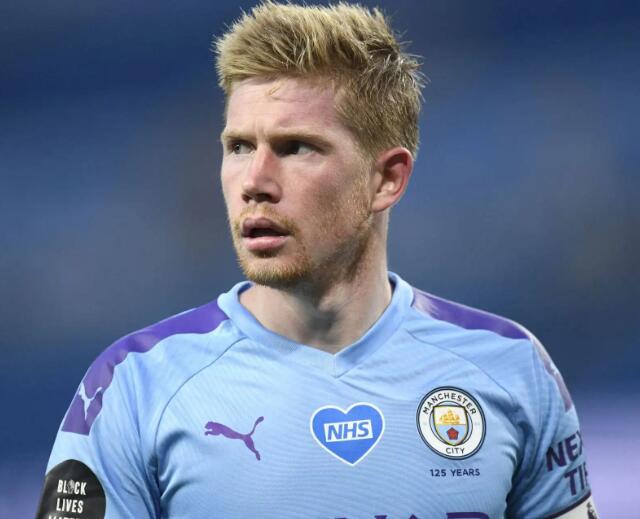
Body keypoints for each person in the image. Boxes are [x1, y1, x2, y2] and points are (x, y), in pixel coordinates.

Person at [36, 3, 598, 518]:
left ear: (387, 179)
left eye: (295, 147)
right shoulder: (133, 387)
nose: (254, 181)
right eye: (239, 147)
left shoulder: (511, 367)